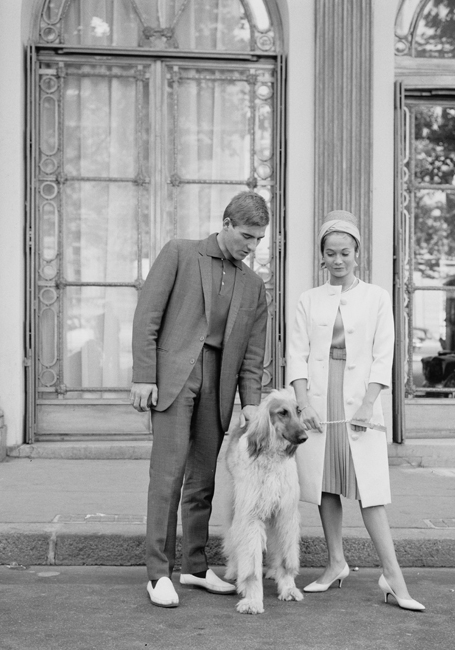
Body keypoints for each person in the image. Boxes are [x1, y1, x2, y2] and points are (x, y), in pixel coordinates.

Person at [130, 191, 269, 608]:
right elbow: (147, 316)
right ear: (226, 223)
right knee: (168, 476)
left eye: (259, 239)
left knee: (203, 480)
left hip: (220, 384)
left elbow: (253, 354)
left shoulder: (253, 285)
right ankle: (158, 574)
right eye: (247, 235)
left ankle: (192, 566)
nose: (252, 246)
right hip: (175, 377)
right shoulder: (179, 253)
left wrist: (251, 403)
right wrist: (143, 377)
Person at [287, 210, 424, 611]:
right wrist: (303, 403)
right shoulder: (308, 300)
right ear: (322, 256)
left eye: (345, 252)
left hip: (360, 400)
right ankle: (335, 564)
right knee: (325, 485)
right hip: (319, 397)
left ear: (357, 252)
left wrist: (368, 404)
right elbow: (295, 354)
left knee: (370, 491)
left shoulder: (377, 297)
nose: (338, 260)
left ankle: (392, 574)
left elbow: (385, 356)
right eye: (330, 253)